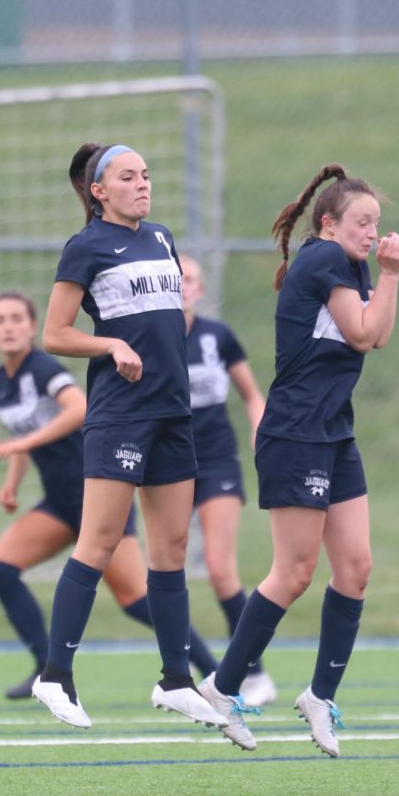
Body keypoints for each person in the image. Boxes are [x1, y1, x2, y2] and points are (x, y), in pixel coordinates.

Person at [198, 164, 399, 755]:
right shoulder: (323, 260)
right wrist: (390, 273)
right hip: (295, 434)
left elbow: (380, 334)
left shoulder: (353, 264)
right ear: (329, 223)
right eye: (362, 222)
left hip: (333, 433)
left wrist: (385, 275)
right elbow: (364, 333)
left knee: (356, 567)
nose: (372, 232)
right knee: (293, 574)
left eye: (377, 224)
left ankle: (319, 696)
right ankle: (221, 685)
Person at [31, 142, 227, 732]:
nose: (142, 184)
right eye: (127, 176)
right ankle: (55, 676)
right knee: (99, 541)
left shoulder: (162, 238)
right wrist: (111, 344)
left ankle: (175, 679)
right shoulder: (86, 247)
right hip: (121, 415)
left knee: (170, 555)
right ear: (99, 191)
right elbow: (55, 333)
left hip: (173, 414)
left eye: (145, 174)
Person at [0, 291, 218, 700]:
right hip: (60, 502)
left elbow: (77, 408)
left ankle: (211, 671)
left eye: (17, 319)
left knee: (134, 598)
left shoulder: (42, 367)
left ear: (31, 325)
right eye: (0, 320)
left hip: (97, 489)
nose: (8, 327)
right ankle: (45, 667)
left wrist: (22, 446)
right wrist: (13, 481)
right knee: (1, 568)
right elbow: (24, 434)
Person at [180, 253, 276, 707]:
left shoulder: (217, 338)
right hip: (167, 467)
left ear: (200, 289)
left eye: (191, 279)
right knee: (163, 572)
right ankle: (180, 676)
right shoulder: (148, 339)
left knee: (220, 570)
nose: (182, 285)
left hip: (216, 463)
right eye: (174, 278)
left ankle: (253, 673)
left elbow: (252, 395)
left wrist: (263, 437)